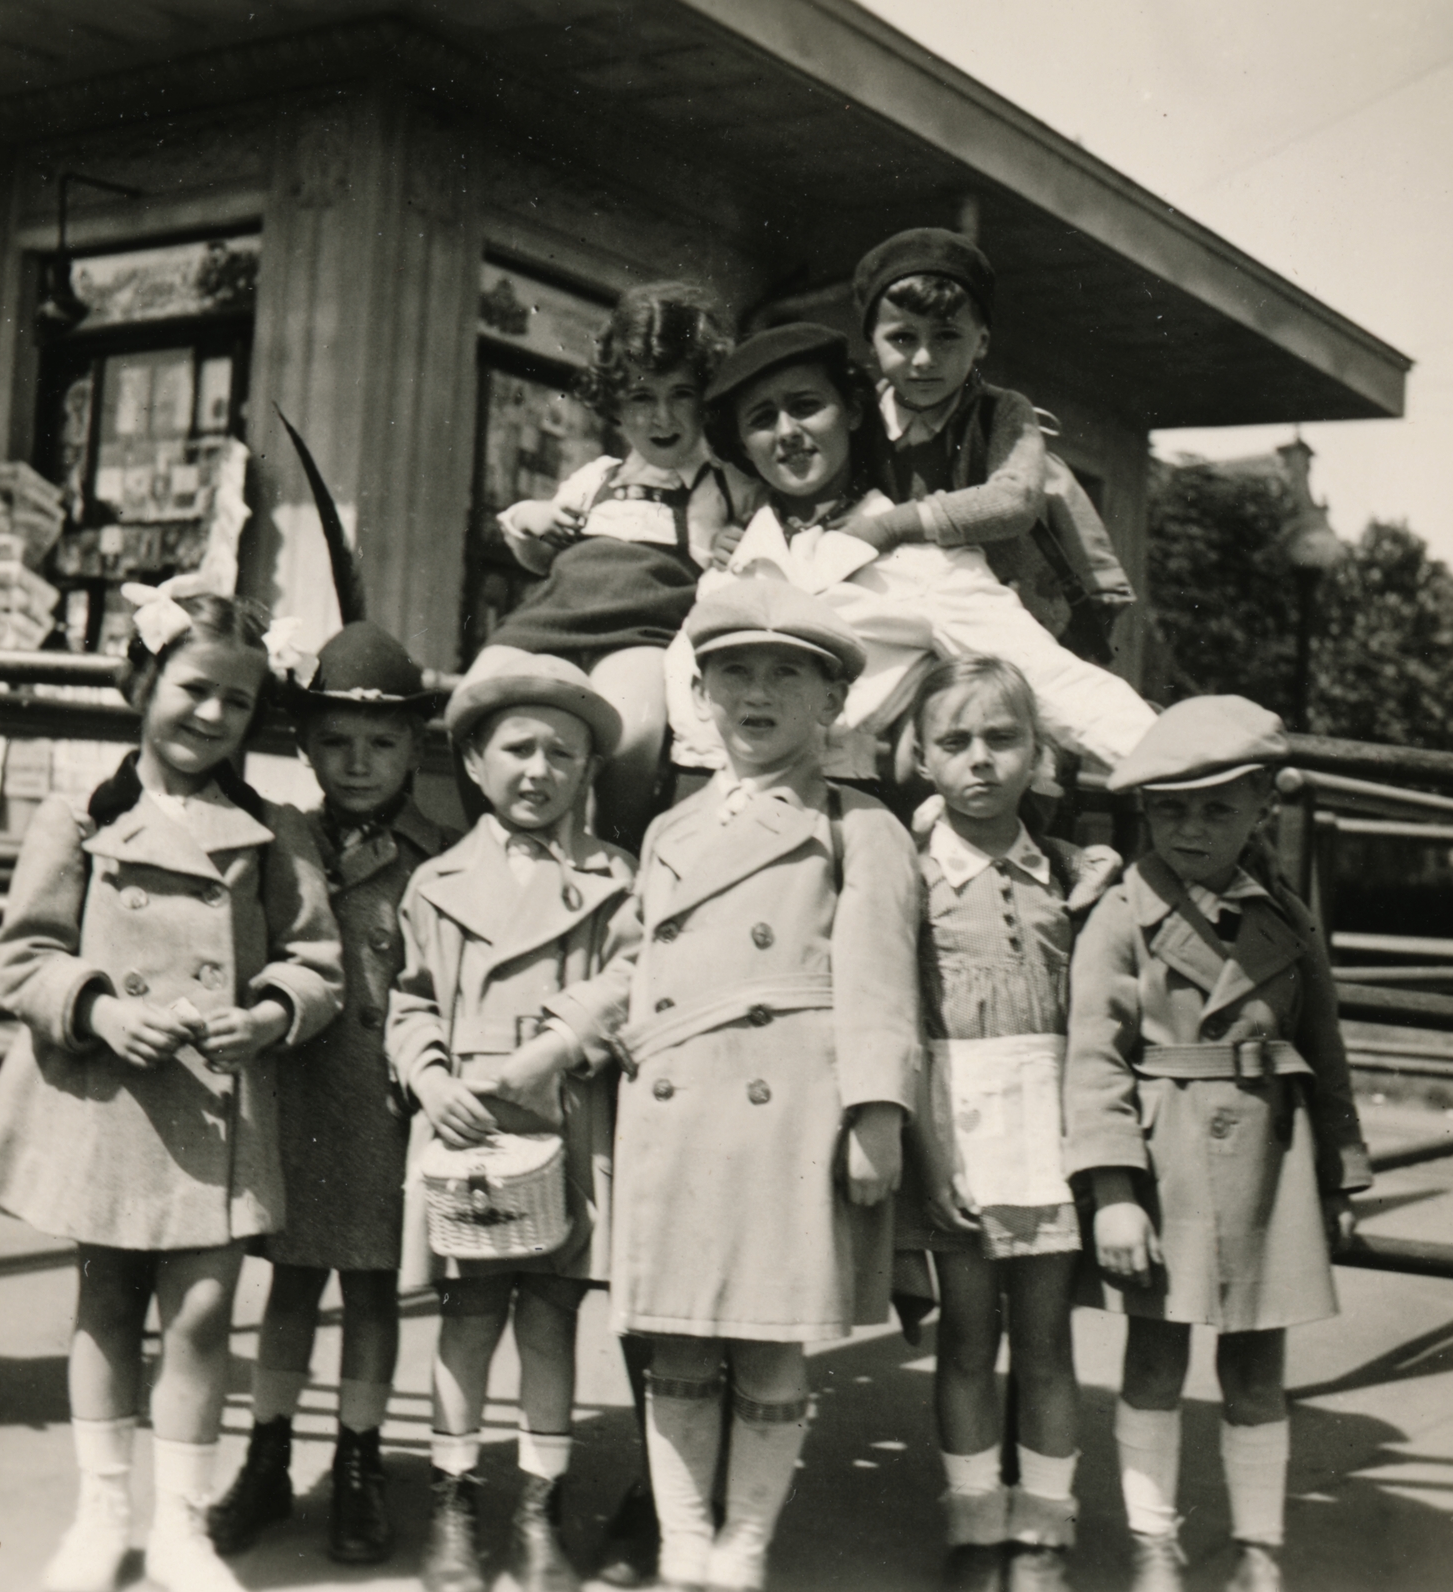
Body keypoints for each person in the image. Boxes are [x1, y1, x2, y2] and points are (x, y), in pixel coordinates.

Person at [0, 587, 344, 1592]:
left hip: (218, 1103)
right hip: (111, 1101)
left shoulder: (272, 826)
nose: (212, 716)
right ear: (141, 681)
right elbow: (25, 956)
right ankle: (102, 1508)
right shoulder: (82, 813)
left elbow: (316, 965)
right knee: (108, 1298)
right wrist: (98, 1008)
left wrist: (265, 1014)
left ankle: (181, 1522)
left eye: (239, 702)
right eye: (194, 688)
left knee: (208, 1310)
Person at [545, 580, 923, 1592]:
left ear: (832, 700)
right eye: (733, 674)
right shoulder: (671, 830)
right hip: (674, 1103)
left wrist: (874, 1113)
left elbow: (880, 980)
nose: (755, 695)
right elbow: (633, 965)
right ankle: (681, 1545)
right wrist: (562, 1031)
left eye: (784, 674)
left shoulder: (859, 826)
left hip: (787, 1109)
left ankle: (742, 1547)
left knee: (764, 1341)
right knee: (673, 1336)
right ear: (702, 695)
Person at [1062, 696, 1374, 1592]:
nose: (1190, 827)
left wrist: (1337, 1178)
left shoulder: (1288, 916)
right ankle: (1154, 1546)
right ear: (1143, 811)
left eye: (1215, 807)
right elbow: (1094, 1057)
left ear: (1260, 809)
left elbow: (1326, 1052)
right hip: (1168, 1170)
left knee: (1256, 1368)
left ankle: (1257, 1550)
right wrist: (1114, 1190)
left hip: (1270, 1166)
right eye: (1168, 808)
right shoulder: (1122, 913)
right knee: (1156, 1360)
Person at [208, 621, 460, 1566]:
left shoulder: (439, 852)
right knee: (288, 1283)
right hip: (295, 1094)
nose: (359, 763)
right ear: (302, 744)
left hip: (384, 1106)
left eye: (384, 743)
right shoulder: (279, 836)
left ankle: (359, 1464)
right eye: (335, 742)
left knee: (370, 1292)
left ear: (415, 746)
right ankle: (268, 1458)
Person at [386, 648, 637, 1592]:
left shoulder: (614, 878)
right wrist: (428, 1074)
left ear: (587, 772)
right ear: (477, 764)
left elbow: (629, 978)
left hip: (562, 1118)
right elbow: (408, 1000)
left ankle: (541, 1506)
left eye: (563, 754)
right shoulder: (439, 883)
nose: (539, 771)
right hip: (465, 1129)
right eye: (518, 749)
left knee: (550, 1320)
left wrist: (567, 1039)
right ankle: (456, 1500)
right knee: (468, 1316)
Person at [665, 323, 1154, 791]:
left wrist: (1181, 758)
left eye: (806, 405)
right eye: (762, 418)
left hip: (826, 803)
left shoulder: (919, 561)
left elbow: (1048, 677)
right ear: (744, 445)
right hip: (699, 796)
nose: (787, 431)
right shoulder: (736, 557)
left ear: (853, 412)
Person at [898, 656, 1119, 1592]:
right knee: (964, 1339)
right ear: (919, 756)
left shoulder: (1070, 876)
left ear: (1039, 755)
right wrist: (921, 1152)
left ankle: (1046, 1530)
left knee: (1046, 1345)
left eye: (1002, 739)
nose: (980, 762)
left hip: (1050, 1136)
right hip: (954, 1136)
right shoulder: (907, 878)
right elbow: (897, 1022)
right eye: (954, 742)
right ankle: (975, 1521)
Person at [485, 280, 758, 849]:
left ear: (707, 398)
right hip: (552, 620)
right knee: (480, 705)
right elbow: (541, 558)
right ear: (614, 403)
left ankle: (613, 854)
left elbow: (756, 556)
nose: (662, 416)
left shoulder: (726, 487)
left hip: (640, 630)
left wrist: (741, 546)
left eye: (681, 394)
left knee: (632, 736)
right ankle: (502, 847)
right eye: (640, 397)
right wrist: (533, 519)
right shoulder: (597, 478)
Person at [845, 226, 1138, 667]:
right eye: (903, 338)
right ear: (871, 342)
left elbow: (1013, 500)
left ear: (981, 341)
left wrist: (893, 525)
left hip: (1014, 615)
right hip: (902, 615)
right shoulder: (858, 419)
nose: (924, 358)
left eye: (946, 336)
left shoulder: (1001, 412)